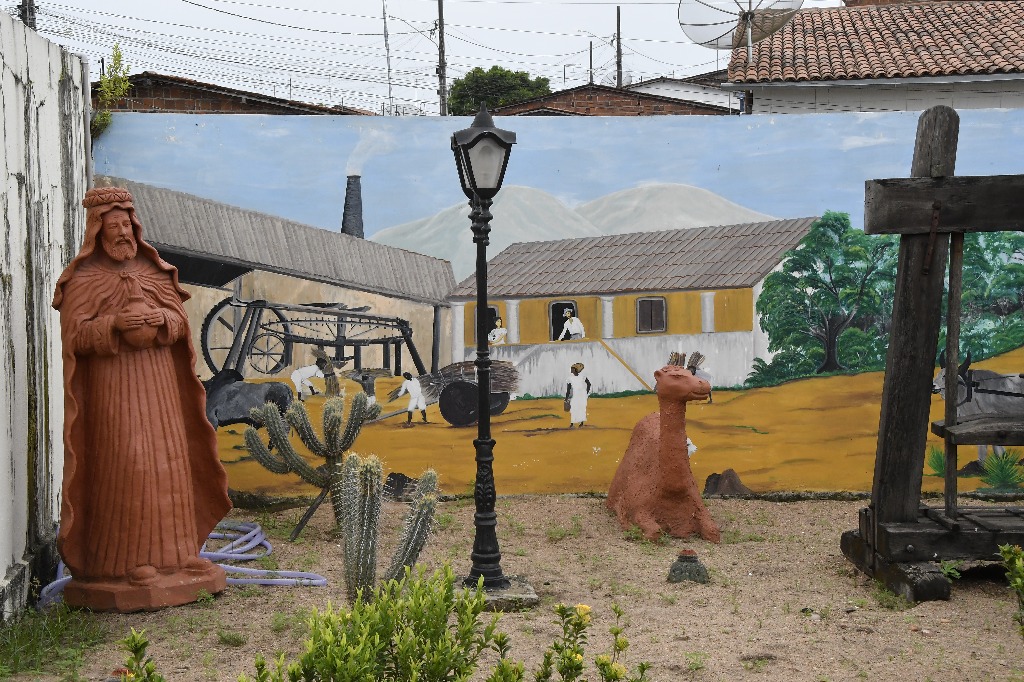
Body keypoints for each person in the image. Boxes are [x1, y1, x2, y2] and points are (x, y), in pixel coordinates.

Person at [52, 186, 231, 610]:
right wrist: (114, 325)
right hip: (114, 388)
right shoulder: (84, 279)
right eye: (113, 226)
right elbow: (75, 337)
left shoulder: (154, 273)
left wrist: (160, 318)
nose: (122, 233)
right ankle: (124, 563)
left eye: (127, 226)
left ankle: (180, 555)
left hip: (161, 386)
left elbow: (180, 323)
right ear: (97, 231)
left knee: (170, 463)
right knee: (127, 464)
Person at [565, 362, 592, 428]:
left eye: (572, 368)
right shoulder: (569, 378)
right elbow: (568, 389)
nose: (571, 370)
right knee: (573, 408)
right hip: (575, 395)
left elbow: (589, 384)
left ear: (575, 370)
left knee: (581, 408)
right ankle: (572, 423)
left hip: (582, 395)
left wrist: (586, 392)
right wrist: (566, 397)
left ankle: (581, 423)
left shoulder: (583, 377)